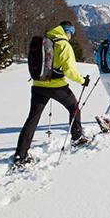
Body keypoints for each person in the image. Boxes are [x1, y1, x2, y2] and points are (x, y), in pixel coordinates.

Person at [14, 21, 90, 167]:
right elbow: (69, 71)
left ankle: (20, 155)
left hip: (37, 85)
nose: (71, 37)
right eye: (71, 33)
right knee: (74, 107)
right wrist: (82, 81)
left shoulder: (44, 40)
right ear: (67, 31)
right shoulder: (64, 45)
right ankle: (77, 137)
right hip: (57, 86)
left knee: (32, 119)